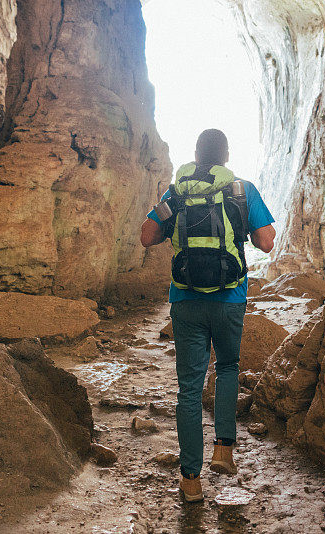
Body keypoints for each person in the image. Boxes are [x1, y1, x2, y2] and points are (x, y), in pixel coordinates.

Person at [140, 129, 275, 502]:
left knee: (189, 387)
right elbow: (265, 241)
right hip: (230, 299)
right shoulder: (241, 189)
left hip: (185, 300)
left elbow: (147, 235)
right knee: (228, 368)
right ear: (226, 157)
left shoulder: (177, 192)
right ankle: (224, 451)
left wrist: (169, 213)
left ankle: (190, 481)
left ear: (195, 155)